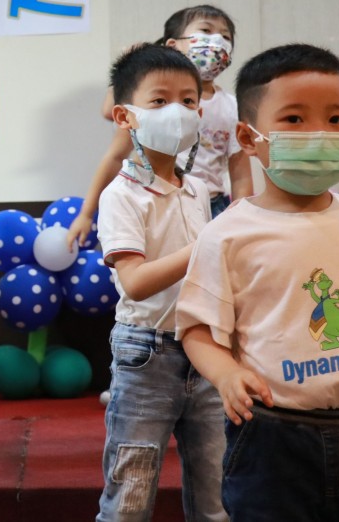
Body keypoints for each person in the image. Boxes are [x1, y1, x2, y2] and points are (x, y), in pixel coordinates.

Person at [178, 44, 339, 521]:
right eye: (295, 120)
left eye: (338, 119)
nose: (320, 134)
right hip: (275, 437)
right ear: (247, 136)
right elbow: (198, 330)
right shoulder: (229, 233)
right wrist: (227, 374)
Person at [95, 44, 225, 522]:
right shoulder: (121, 196)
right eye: (160, 101)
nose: (178, 111)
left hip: (207, 350)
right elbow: (134, 282)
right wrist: (208, 247)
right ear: (125, 116)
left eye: (189, 101)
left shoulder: (198, 189)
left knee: (218, 496)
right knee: (130, 499)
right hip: (146, 354)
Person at [68, 5, 252, 251]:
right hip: (152, 197)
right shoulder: (145, 110)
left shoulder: (231, 107)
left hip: (210, 204)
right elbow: (114, 153)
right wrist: (86, 213)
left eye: (226, 37)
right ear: (173, 45)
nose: (217, 41)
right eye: (206, 31)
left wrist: (239, 219)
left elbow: (240, 173)